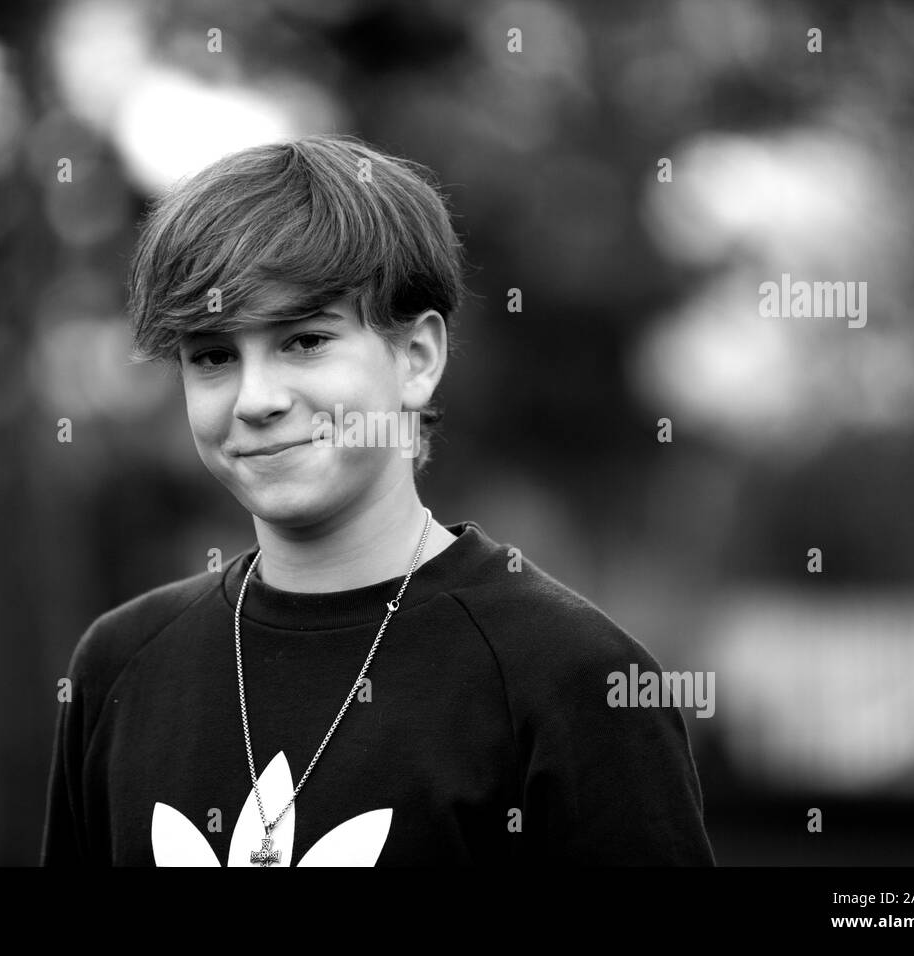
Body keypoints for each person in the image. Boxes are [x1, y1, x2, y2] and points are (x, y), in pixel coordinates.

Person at [41, 133, 714, 866]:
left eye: (304, 341)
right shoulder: (121, 665)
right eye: (212, 356)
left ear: (417, 359)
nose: (256, 399)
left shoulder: (572, 680)